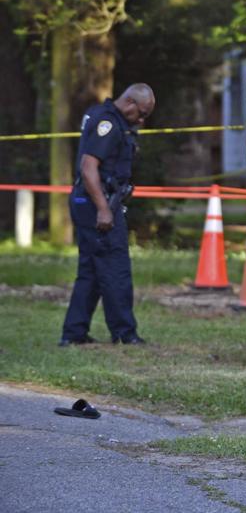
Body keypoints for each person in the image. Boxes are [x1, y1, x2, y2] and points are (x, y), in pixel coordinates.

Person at [60, 84, 154, 347]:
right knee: (116, 268)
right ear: (131, 103)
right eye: (142, 113)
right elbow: (89, 168)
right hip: (96, 202)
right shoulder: (109, 124)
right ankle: (125, 333)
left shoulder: (101, 114)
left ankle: (73, 333)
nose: (142, 120)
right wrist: (103, 208)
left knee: (90, 270)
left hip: (87, 200)